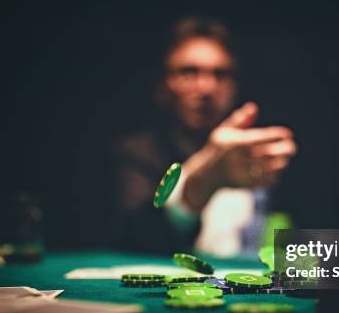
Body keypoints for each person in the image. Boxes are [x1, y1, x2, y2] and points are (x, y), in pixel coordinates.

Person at [112, 17, 297, 255]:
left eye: (220, 74)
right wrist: (201, 181)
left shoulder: (265, 151)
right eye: (188, 72)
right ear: (162, 83)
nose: (207, 87)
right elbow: (131, 243)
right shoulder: (136, 154)